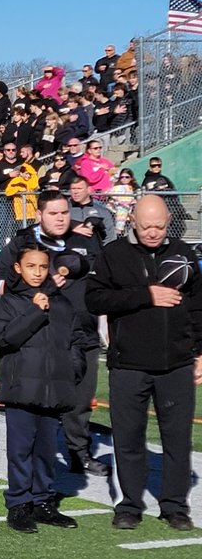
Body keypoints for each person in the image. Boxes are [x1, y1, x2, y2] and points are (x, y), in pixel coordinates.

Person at [85, 196, 202, 532]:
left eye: (160, 226)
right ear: (133, 220)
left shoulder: (184, 254)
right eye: (147, 225)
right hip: (128, 365)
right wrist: (145, 295)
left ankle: (175, 506)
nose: (153, 232)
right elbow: (95, 299)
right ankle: (130, 505)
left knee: (178, 440)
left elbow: (198, 306)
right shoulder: (114, 254)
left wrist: (200, 351)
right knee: (128, 438)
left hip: (177, 364)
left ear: (169, 223)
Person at [0, 190, 105, 475]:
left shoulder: (85, 238)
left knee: (80, 399)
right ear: (39, 215)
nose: (61, 218)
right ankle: (40, 465)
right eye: (53, 213)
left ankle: (79, 453)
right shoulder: (23, 243)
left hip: (83, 333)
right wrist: (31, 294)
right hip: (40, 335)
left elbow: (102, 280)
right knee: (42, 401)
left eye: (65, 212)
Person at [0, 245, 86, 533]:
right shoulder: (8, 303)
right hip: (21, 391)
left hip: (53, 390)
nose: (37, 272)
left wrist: (73, 370)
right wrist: (34, 312)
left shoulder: (63, 304)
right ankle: (19, 504)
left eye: (43, 267)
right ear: (19, 268)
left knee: (45, 450)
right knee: (20, 450)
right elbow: (5, 338)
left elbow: (77, 340)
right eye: (31, 266)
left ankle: (43, 501)